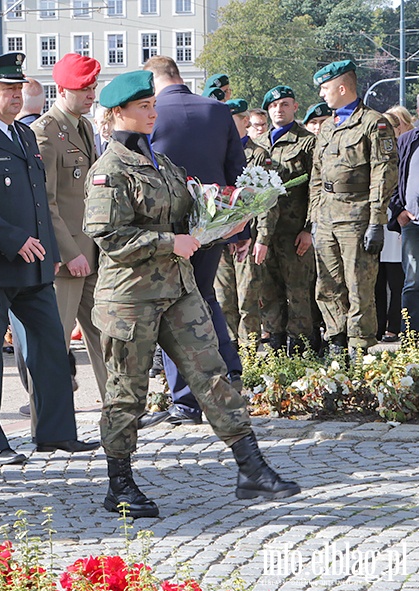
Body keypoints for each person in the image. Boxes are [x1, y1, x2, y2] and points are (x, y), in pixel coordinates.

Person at [83, 69, 300, 518]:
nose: (152, 113)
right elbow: (108, 236)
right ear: (118, 113)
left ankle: (252, 469)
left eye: (152, 105)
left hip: (179, 290)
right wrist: (168, 243)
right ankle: (119, 484)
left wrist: (228, 222)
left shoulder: (162, 163)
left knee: (212, 373)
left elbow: (192, 212)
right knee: (127, 393)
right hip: (130, 298)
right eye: (143, 108)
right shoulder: (109, 170)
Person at [0, 52, 98, 466]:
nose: (17, 97)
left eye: (19, 90)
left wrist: (46, 250)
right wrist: (15, 241)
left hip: (33, 263)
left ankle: (56, 433)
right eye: (7, 90)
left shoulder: (25, 135)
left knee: (50, 346)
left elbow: (39, 200)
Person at [138, 55, 246, 427]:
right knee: (205, 296)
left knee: (172, 307)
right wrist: (240, 228)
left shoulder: (150, 112)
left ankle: (185, 399)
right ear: (179, 76)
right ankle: (230, 372)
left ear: (153, 81)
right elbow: (238, 170)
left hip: (168, 229)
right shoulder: (218, 110)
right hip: (214, 224)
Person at [29, 52, 108, 405]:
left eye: (93, 87)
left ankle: (118, 411)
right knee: (55, 343)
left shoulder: (84, 126)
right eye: (83, 89)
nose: (91, 94)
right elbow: (45, 203)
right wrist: (69, 252)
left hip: (91, 253)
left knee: (105, 336)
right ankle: (49, 421)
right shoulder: (45, 132)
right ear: (61, 90)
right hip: (67, 260)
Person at [311, 60, 398, 355]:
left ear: (342, 87)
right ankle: (336, 342)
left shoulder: (374, 122)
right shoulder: (326, 127)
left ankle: (359, 348)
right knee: (327, 285)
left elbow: (384, 172)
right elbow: (316, 176)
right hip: (326, 217)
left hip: (356, 217)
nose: (322, 95)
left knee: (359, 287)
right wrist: (314, 217)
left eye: (325, 88)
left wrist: (377, 220)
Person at [252, 86, 318, 355]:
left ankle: (302, 349)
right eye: (274, 105)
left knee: (299, 291)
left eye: (285, 104)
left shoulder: (306, 142)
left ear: (295, 107)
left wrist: (309, 228)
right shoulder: (259, 146)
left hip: (294, 231)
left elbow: (316, 187)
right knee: (268, 290)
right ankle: (276, 344)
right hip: (264, 234)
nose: (280, 109)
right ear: (268, 110)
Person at [214, 98, 268, 348]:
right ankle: (229, 350)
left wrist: (262, 237)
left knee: (247, 297)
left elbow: (266, 201)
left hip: (248, 234)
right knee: (223, 297)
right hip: (221, 235)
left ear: (244, 122)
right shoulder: (216, 151)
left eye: (230, 120)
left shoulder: (258, 155)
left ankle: (250, 353)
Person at [376, 108, 412, 341]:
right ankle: (379, 325)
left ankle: (396, 325)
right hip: (379, 223)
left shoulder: (407, 150)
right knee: (377, 280)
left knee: (398, 279)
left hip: (400, 222)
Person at [390, 106, 419, 332]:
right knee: (413, 282)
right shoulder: (407, 140)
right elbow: (391, 178)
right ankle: (411, 337)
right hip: (413, 224)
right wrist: (398, 210)